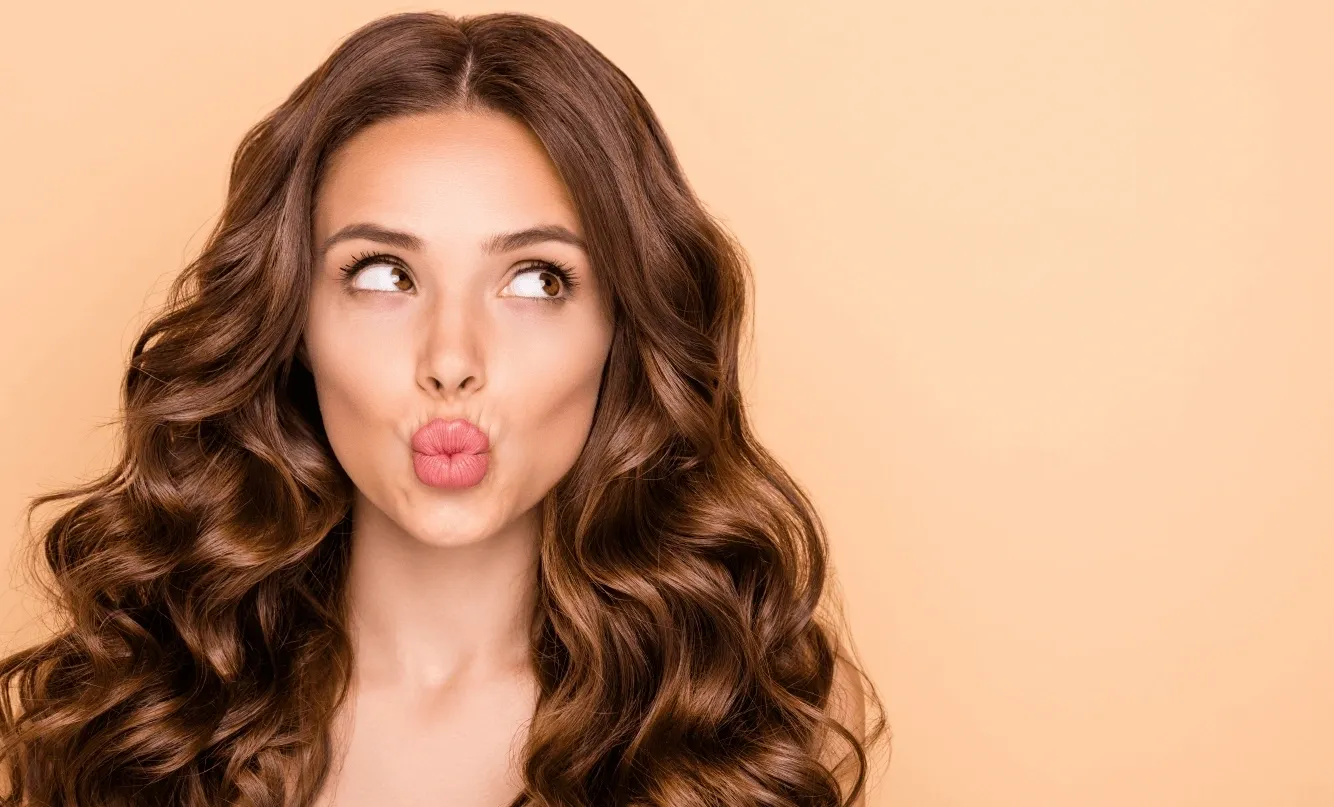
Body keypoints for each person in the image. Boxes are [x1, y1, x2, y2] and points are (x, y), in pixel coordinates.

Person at [0, 10, 888, 807]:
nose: (452, 360)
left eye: (536, 280)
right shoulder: (128, 713)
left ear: (621, 326)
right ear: (293, 321)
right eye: (384, 274)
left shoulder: (742, 728)